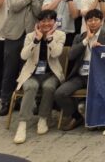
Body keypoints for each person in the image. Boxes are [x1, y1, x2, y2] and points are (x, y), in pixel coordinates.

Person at [55, 8, 105, 132]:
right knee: (60, 93)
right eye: (90, 20)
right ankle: (76, 116)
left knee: (102, 91)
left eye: (96, 20)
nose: (93, 22)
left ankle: (97, 118)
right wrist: (86, 40)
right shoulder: (79, 37)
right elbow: (71, 56)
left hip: (98, 76)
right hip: (79, 75)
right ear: (86, 22)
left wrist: (102, 50)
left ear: (101, 21)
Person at [0, 0, 50, 117]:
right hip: (13, 34)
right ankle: (6, 101)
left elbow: (39, 13)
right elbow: (15, 7)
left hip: (31, 35)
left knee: (26, 69)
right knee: (9, 69)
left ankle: (21, 100)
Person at [12, 10, 66, 144]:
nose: (46, 24)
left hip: (51, 73)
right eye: (43, 21)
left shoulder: (60, 35)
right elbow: (23, 56)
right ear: (38, 23)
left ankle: (43, 118)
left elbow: (56, 53)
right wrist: (36, 40)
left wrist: (49, 39)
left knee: (49, 87)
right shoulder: (30, 36)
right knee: (31, 86)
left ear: (54, 22)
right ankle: (22, 124)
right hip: (32, 73)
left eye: (49, 21)